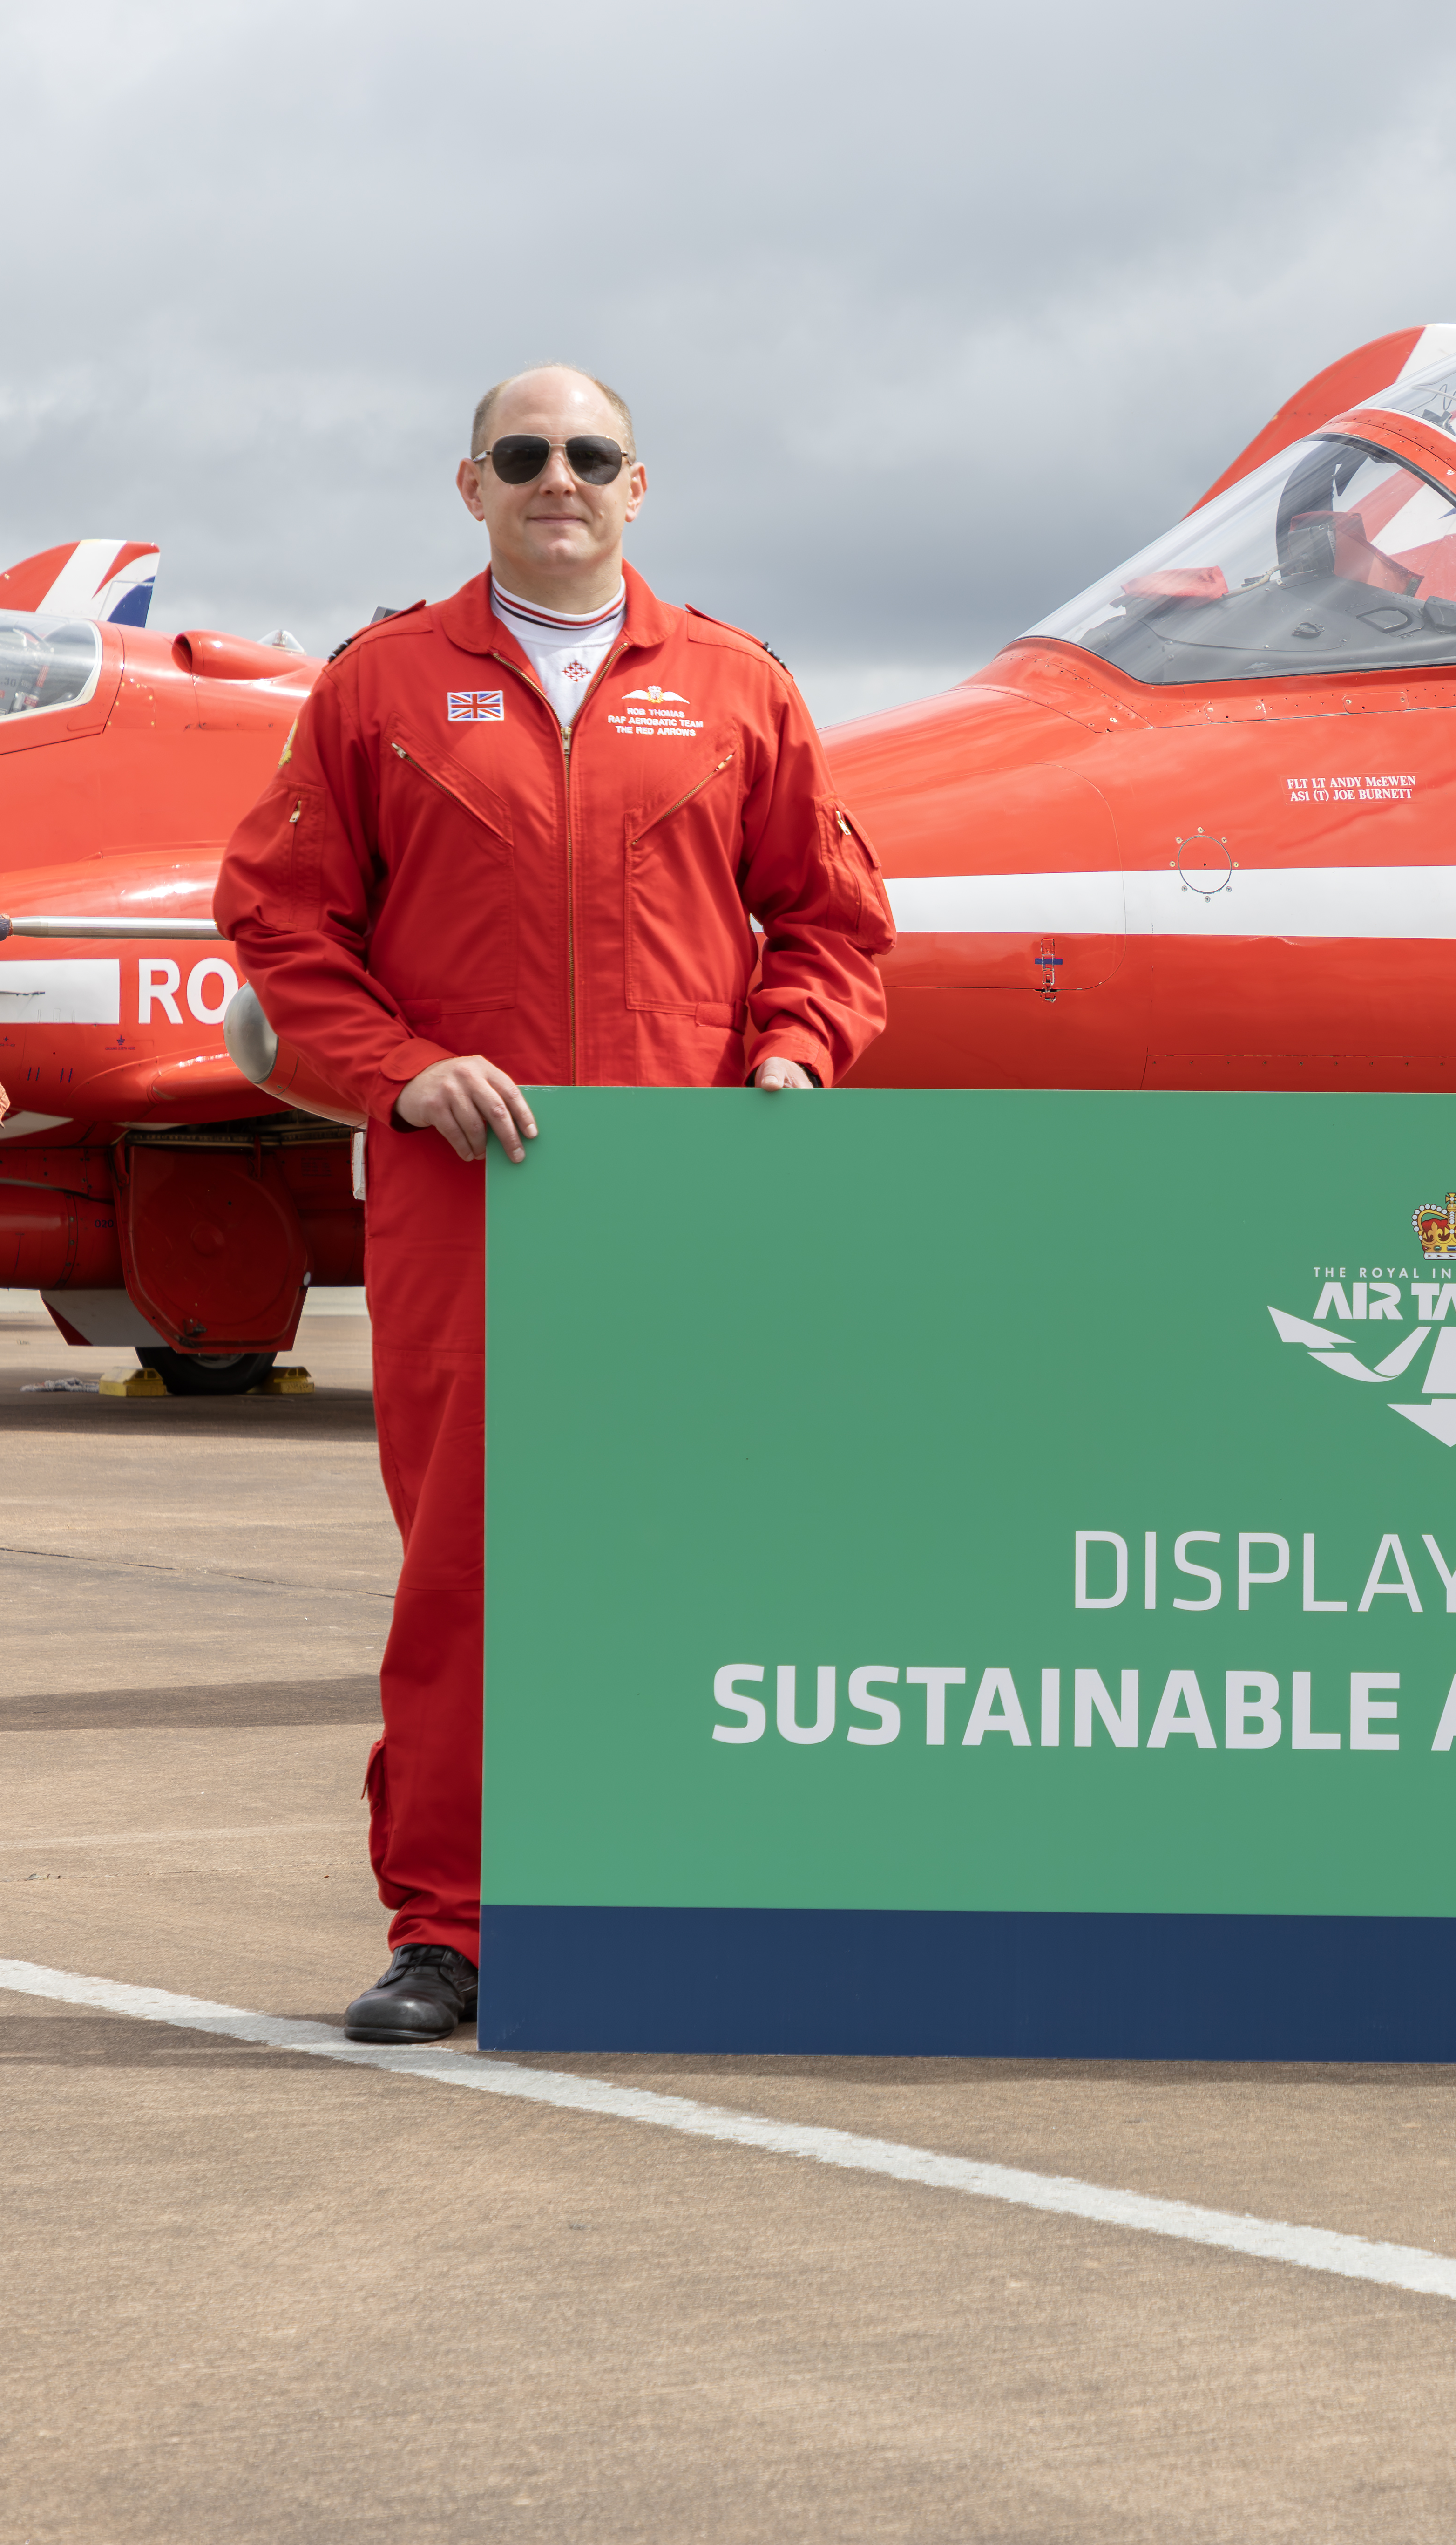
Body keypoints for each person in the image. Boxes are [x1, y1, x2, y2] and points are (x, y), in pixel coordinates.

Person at [215, 366, 894, 2044]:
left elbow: (835, 921)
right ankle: (446, 1929)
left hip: (684, 1204)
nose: (559, 480)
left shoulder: (738, 686)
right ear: (472, 487)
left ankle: (698, 1897)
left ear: (639, 485)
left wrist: (796, 1057)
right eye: (524, 457)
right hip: (471, 1198)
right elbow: (282, 927)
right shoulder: (378, 688)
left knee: (705, 1550)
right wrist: (398, 1067)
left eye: (590, 456)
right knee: (469, 1567)